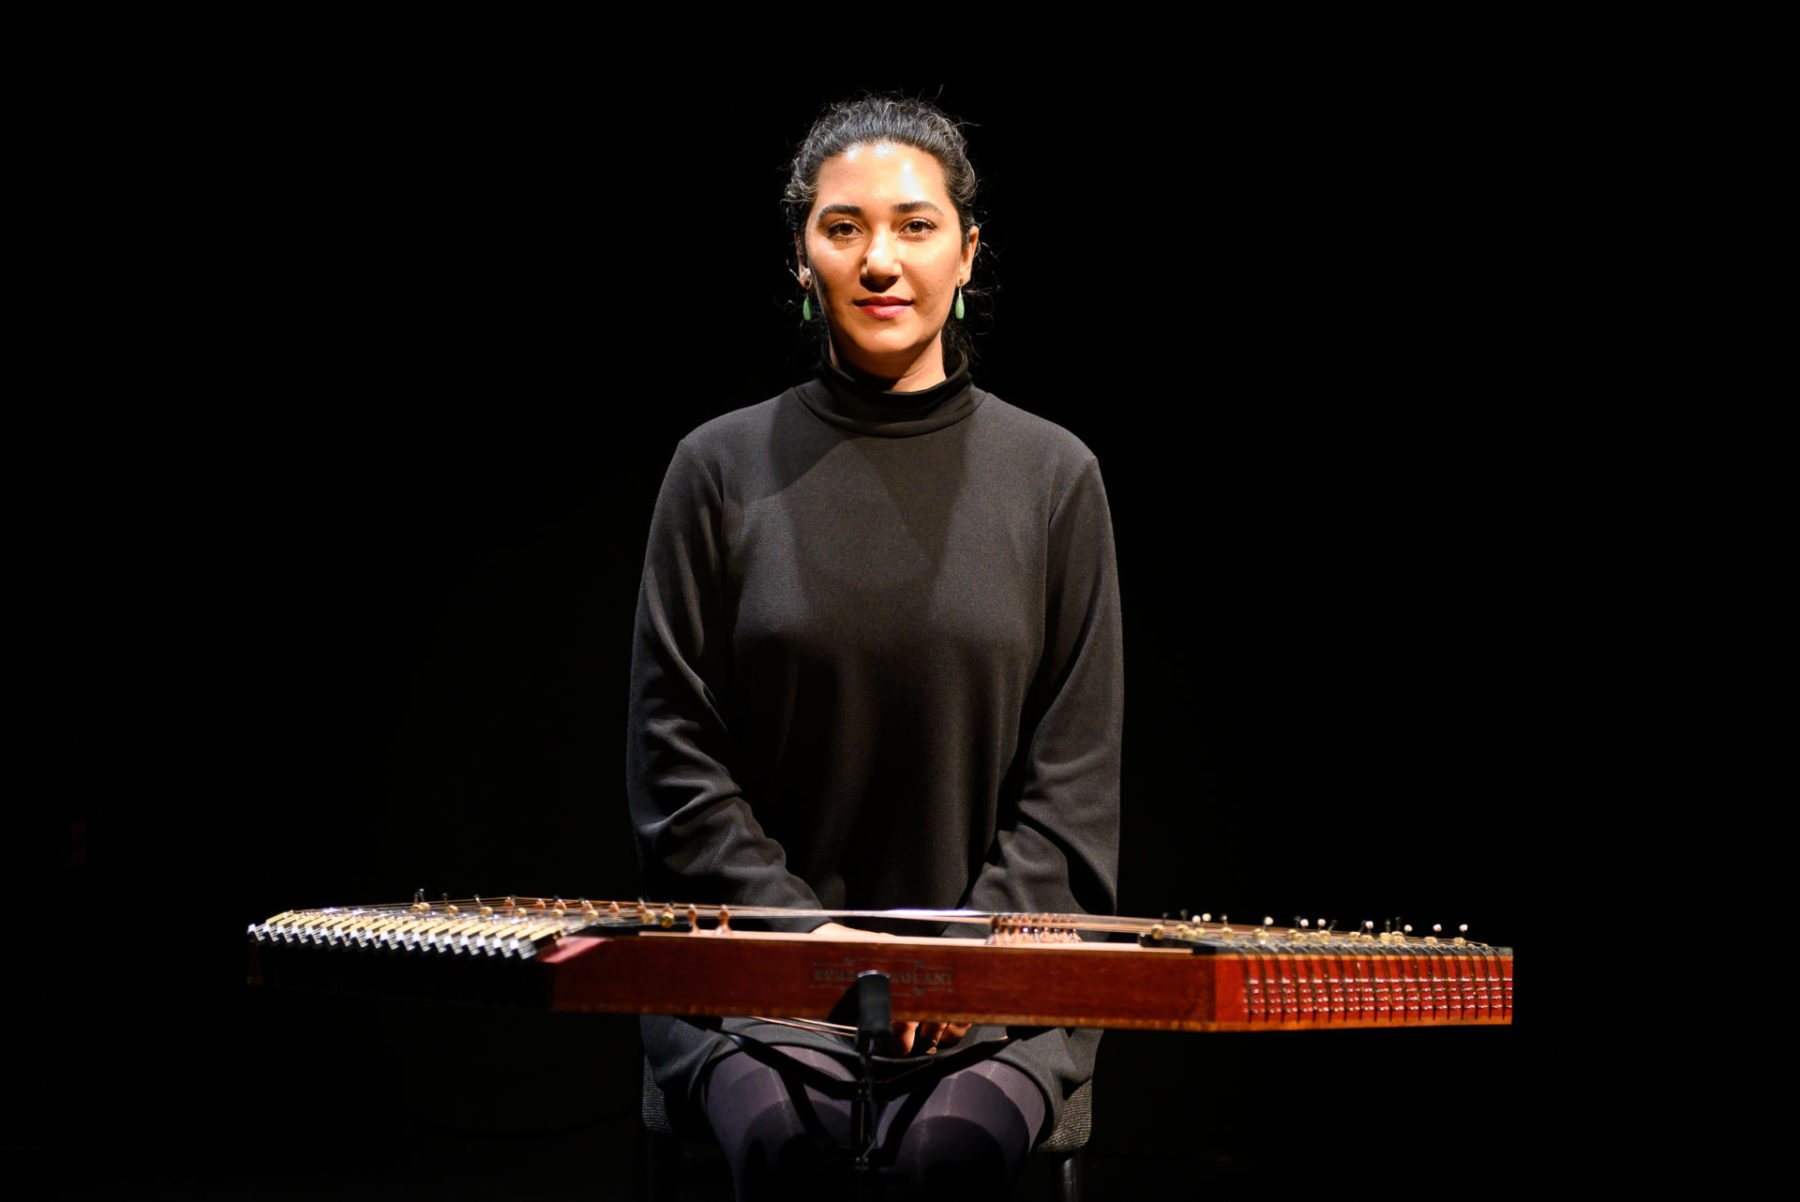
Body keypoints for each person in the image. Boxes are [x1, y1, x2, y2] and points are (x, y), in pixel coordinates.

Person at [627, 95, 1122, 1199]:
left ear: (968, 251)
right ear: (802, 255)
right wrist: (822, 947)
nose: (880, 259)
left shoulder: (1053, 479)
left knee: (945, 1160)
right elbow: (676, 772)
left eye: (913, 225)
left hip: (1000, 988)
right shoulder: (716, 469)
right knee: (797, 1158)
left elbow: (1072, 793)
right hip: (755, 979)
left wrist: (962, 960)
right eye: (842, 227)